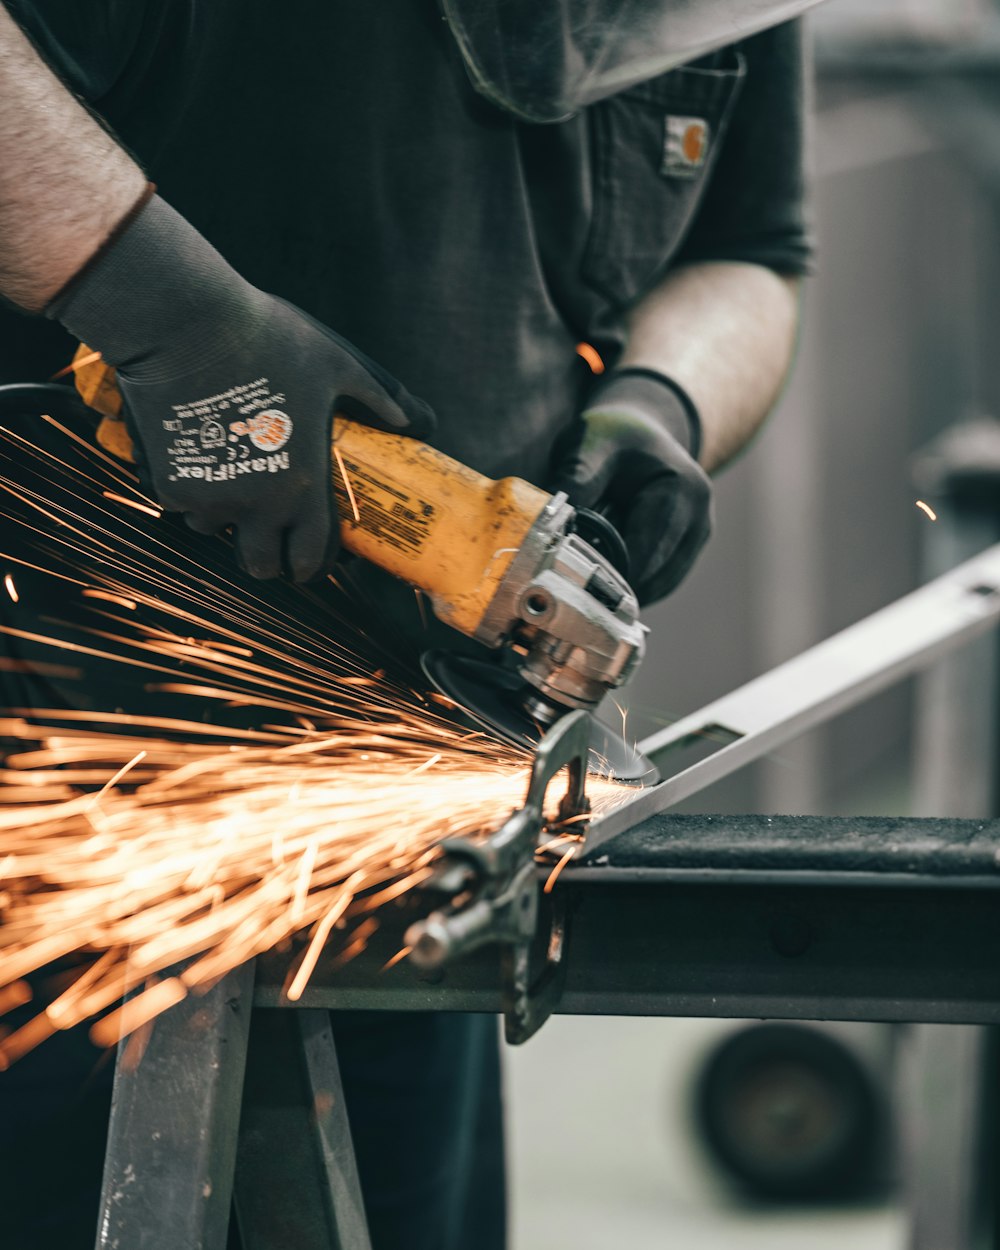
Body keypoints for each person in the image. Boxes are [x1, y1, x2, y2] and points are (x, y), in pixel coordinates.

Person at [0, 2, 812, 1246]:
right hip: (53, 805)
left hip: (406, 816)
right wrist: (154, 301)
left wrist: (659, 401)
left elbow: (754, 249)